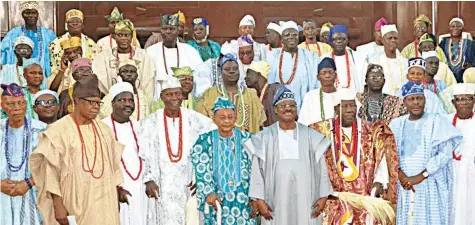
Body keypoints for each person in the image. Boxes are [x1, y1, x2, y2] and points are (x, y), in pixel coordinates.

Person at [30, 76, 126, 225]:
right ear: (76, 102)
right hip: (74, 201)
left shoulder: (104, 130)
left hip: (105, 200)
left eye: (98, 102)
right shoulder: (58, 130)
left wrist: (116, 191)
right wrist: (58, 203)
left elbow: (113, 166)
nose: (96, 107)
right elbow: (50, 171)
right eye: (90, 102)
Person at [243, 86, 333, 225]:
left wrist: (323, 196)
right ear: (275, 110)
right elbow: (257, 172)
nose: (288, 108)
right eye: (283, 105)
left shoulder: (311, 136)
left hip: (306, 201)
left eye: (292, 105)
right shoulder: (264, 137)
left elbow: (322, 169)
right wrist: (259, 200)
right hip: (275, 201)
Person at [311, 88, 398, 224]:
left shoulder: (370, 130)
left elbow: (381, 157)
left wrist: (379, 181)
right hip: (335, 198)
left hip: (365, 199)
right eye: (345, 106)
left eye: (352, 105)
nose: (350, 110)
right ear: (336, 109)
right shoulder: (320, 131)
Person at [139, 77, 215, 225]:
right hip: (161, 185)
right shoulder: (149, 122)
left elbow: (212, 142)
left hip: (188, 183)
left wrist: (201, 175)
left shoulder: (196, 119)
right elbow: (143, 151)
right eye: (169, 94)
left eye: (177, 94)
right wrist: (148, 179)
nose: (174, 98)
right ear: (161, 97)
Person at [389, 82, 462, 225]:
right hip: (404, 185)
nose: (416, 103)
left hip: (429, 184)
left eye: (419, 98)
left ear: (425, 99)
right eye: (411, 99)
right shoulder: (396, 125)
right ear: (404, 102)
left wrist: (422, 176)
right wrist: (401, 175)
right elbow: (390, 154)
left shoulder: (437, 121)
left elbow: (445, 154)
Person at [191, 96, 256, 225]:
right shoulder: (205, 140)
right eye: (222, 117)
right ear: (214, 119)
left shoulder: (248, 140)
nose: (226, 121)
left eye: (230, 117)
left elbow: (257, 169)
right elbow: (201, 169)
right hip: (216, 201)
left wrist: (256, 197)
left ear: (235, 119)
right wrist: (208, 192)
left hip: (243, 202)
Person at [0, 83, 47, 225]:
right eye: (11, 104)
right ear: (2, 106)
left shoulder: (41, 130)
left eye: (21, 103)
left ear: (26, 105)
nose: (17, 108)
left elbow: (51, 165)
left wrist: (28, 182)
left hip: (32, 194)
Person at [101, 82, 147, 225]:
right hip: (115, 189)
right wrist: (116, 187)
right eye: (122, 100)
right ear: (113, 103)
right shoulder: (102, 128)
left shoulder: (139, 126)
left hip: (140, 187)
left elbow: (146, 156)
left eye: (131, 100)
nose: (128, 104)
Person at [196, 54, 266, 133]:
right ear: (221, 73)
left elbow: (260, 124)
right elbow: (201, 124)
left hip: (247, 143)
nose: (232, 71)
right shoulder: (209, 94)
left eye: (235, 69)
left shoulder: (251, 95)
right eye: (227, 69)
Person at [93, 19, 156, 96]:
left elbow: (148, 78)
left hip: (137, 98)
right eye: (119, 35)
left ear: (132, 37)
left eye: (126, 35)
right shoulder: (104, 57)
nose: (123, 38)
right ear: (114, 37)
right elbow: (101, 80)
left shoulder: (143, 56)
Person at [267, 20, 320, 110]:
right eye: (287, 35)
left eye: (294, 35)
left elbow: (316, 83)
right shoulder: (272, 57)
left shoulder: (311, 57)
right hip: (280, 107)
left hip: (304, 107)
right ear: (281, 39)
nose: (291, 37)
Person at [147, 14, 203, 99]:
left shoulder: (190, 51)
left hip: (184, 100)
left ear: (178, 31)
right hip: (158, 98)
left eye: (172, 29)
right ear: (160, 31)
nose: (168, 31)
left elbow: (200, 77)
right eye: (164, 29)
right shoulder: (150, 52)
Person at [445, 84, 475, 225]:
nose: (464, 103)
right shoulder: (445, 121)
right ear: (453, 102)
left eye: (468, 98)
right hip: (449, 173)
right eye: (459, 99)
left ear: (474, 101)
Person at [1, 1, 56, 77]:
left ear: (37, 14)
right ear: (22, 15)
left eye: (33, 13)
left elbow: (56, 54)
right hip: (18, 74)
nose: (31, 15)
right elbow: (2, 52)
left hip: (41, 75)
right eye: (27, 13)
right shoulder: (13, 33)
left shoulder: (48, 34)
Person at [49, 9, 97, 76]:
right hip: (63, 81)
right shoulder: (56, 43)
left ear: (82, 25)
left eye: (78, 21)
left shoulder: (91, 43)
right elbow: (52, 67)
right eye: (71, 21)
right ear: (67, 25)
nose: (75, 23)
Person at [364, 24, 408, 95]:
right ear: (382, 40)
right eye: (389, 38)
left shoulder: (405, 62)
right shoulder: (375, 61)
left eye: (395, 38)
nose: (393, 40)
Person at [299, 58, 339, 126]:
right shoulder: (310, 96)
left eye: (330, 72)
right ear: (318, 77)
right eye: (324, 73)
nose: (327, 76)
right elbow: (303, 122)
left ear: (335, 75)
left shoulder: (343, 94)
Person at [323, 25, 362, 92]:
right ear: (331, 41)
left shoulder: (357, 58)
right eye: (335, 39)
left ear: (347, 40)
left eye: (342, 39)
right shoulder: (324, 59)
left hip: (352, 97)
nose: (339, 41)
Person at [244, 61, 280, 127]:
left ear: (258, 74)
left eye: (248, 74)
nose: (245, 78)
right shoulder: (255, 97)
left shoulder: (275, 89)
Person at [439, 18, 475, 83]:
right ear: (449, 28)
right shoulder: (443, 43)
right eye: (453, 26)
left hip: (464, 74)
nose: (455, 28)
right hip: (447, 75)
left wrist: (471, 65)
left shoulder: (469, 43)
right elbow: (439, 58)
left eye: (459, 26)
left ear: (462, 28)